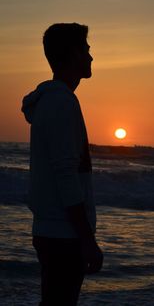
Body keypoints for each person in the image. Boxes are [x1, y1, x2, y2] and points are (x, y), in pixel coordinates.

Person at [21, 22, 103, 306]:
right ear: (72, 54)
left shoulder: (55, 101)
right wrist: (86, 239)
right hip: (62, 236)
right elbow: (66, 176)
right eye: (86, 50)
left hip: (54, 232)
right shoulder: (61, 103)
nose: (91, 57)